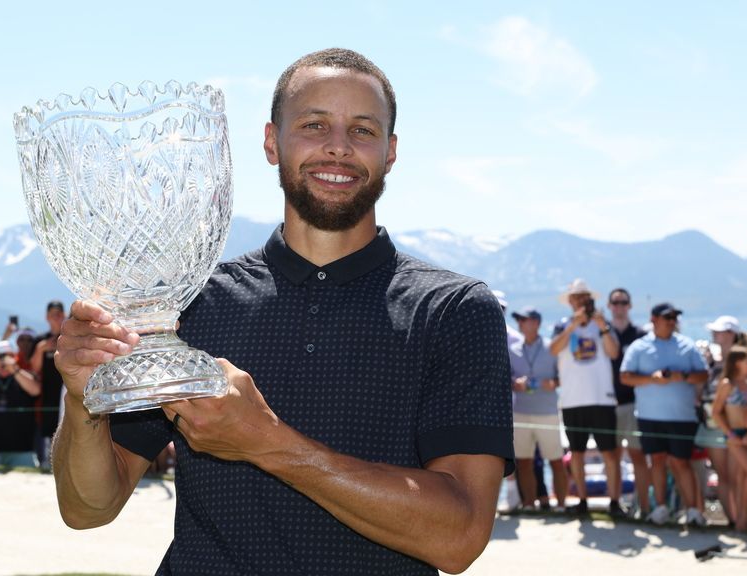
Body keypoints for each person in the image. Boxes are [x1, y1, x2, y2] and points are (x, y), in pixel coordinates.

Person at [51, 48, 513, 575]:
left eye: (362, 130)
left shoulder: (453, 310)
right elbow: (87, 509)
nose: (338, 146)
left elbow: (459, 537)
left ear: (390, 152)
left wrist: (266, 442)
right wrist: (83, 399)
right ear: (272, 142)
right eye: (314, 125)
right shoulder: (191, 303)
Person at [620, 303, 709, 526]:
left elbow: (703, 375)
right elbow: (625, 377)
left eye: (674, 318)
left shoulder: (687, 345)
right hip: (649, 416)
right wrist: (652, 379)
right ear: (654, 319)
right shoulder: (639, 346)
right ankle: (660, 508)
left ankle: (693, 511)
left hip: (682, 417)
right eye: (667, 317)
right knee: (657, 461)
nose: (671, 322)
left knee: (681, 462)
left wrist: (682, 376)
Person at [549, 278, 623, 516]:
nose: (581, 302)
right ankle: (582, 501)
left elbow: (613, 352)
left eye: (584, 297)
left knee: (609, 453)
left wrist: (602, 326)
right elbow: (553, 350)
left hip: (602, 399)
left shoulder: (602, 324)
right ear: (570, 301)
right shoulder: (562, 326)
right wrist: (573, 326)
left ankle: (614, 502)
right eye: (577, 298)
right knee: (577, 453)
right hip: (572, 400)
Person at [508, 306, 567, 511]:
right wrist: (515, 383)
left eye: (524, 319)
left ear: (537, 323)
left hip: (547, 412)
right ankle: (529, 505)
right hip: (521, 412)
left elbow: (564, 376)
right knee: (523, 461)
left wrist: (553, 383)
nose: (520, 323)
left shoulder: (551, 347)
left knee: (556, 461)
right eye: (519, 320)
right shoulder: (512, 350)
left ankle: (561, 506)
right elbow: (506, 378)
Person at [696, 315, 747, 525]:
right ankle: (733, 520)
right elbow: (701, 393)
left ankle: (742, 519)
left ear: (731, 334)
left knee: (739, 475)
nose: (714, 334)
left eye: (719, 331)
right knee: (724, 475)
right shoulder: (711, 361)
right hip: (714, 425)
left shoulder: (744, 361)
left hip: (737, 427)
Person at [606, 288, 650, 516]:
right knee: (612, 456)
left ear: (629, 306)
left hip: (634, 403)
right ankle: (614, 503)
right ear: (609, 306)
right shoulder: (603, 332)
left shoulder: (640, 335)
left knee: (637, 456)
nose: (619, 307)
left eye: (623, 302)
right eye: (615, 302)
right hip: (608, 404)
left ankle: (644, 506)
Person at [712, 346, 747, 531]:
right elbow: (716, 412)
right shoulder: (727, 384)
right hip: (733, 436)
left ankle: (743, 518)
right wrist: (730, 434)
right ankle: (740, 519)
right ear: (738, 362)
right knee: (745, 476)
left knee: (744, 477)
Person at [31, 300, 66, 468]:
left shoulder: (69, 338)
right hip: (46, 394)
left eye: (59, 314)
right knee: (48, 429)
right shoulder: (40, 340)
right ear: (47, 317)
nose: (56, 318)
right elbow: (34, 368)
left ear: (64, 315)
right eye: (53, 314)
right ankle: (47, 461)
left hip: (66, 389)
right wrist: (41, 349)